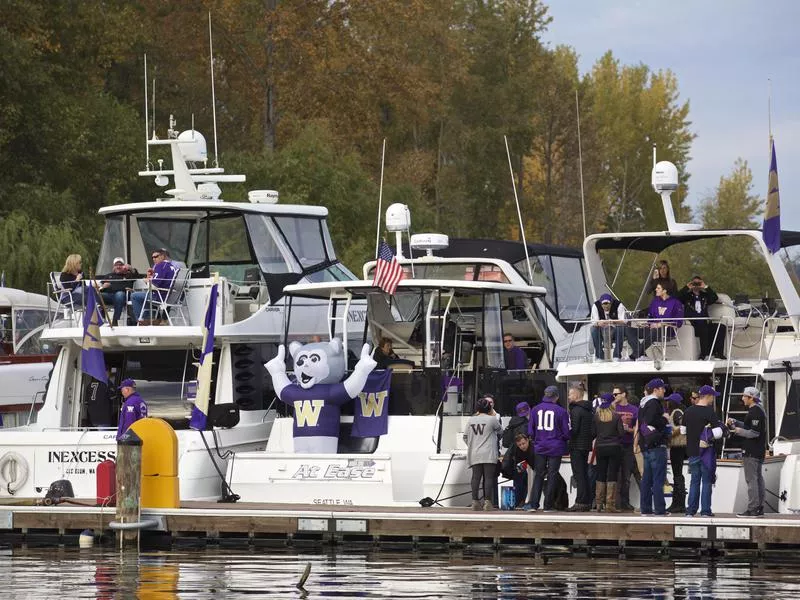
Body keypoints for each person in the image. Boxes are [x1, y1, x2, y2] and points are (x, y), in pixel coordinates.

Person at [684, 384, 726, 517]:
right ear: (708, 396)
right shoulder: (709, 412)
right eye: (713, 397)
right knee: (707, 482)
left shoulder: (688, 411)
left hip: (692, 451)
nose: (713, 399)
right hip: (706, 453)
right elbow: (718, 432)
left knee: (694, 481)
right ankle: (705, 511)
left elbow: (683, 431)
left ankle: (690, 511)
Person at [528, 385, 571, 512]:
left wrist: (538, 439)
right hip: (555, 447)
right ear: (556, 397)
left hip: (540, 446)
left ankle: (533, 504)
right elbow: (567, 432)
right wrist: (561, 439)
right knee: (552, 475)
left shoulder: (535, 410)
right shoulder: (561, 411)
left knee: (538, 475)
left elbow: (531, 430)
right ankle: (548, 505)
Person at [728, 386, 767, 517]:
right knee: (758, 479)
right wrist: (737, 422)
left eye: (744, 396)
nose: (742, 398)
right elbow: (749, 426)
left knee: (752, 480)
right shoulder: (758, 410)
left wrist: (738, 431)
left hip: (752, 451)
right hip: (758, 451)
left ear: (751, 398)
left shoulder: (755, 411)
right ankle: (759, 507)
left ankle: (753, 509)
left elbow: (754, 433)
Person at [638, 378, 670, 515]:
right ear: (655, 390)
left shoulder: (642, 404)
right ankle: (660, 509)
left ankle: (645, 508)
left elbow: (642, 422)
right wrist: (665, 418)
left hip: (646, 444)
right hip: (656, 445)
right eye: (662, 388)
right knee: (658, 479)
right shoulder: (654, 403)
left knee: (646, 479)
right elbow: (652, 420)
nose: (664, 390)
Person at [464, 396, 502, 511]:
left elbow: (465, 437)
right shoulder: (492, 419)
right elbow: (501, 431)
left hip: (475, 452)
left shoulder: (471, 420)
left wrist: (472, 444)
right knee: (488, 478)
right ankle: (487, 502)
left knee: (475, 477)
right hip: (489, 452)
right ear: (489, 408)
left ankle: (475, 501)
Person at [677, 275, 726, 360]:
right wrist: (687, 287)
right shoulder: (687, 296)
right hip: (692, 324)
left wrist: (705, 287)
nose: (696, 285)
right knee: (704, 329)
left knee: (721, 327)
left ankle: (719, 353)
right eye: (694, 283)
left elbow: (714, 297)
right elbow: (677, 297)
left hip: (704, 323)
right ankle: (704, 355)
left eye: (698, 283)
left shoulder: (704, 296)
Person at [593, 392, 624, 513]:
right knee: (612, 474)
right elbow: (621, 433)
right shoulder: (616, 416)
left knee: (600, 473)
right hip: (614, 447)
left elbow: (593, 432)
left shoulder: (596, 416)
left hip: (600, 447)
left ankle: (599, 503)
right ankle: (610, 504)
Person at [131, 248, 179, 324]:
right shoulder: (171, 266)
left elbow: (153, 286)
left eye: (156, 256)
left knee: (134, 296)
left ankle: (143, 321)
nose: (154, 259)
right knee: (145, 295)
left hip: (160, 296)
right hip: (168, 296)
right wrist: (150, 277)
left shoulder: (161, 266)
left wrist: (146, 280)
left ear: (162, 256)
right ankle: (153, 318)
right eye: (152, 257)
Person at [637, 283, 684, 360]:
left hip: (668, 330)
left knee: (656, 330)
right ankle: (641, 355)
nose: (656, 290)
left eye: (658, 288)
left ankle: (636, 354)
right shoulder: (655, 301)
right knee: (630, 331)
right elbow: (650, 317)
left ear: (664, 291)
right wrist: (649, 324)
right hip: (653, 329)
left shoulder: (676, 303)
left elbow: (679, 322)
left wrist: (661, 324)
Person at [613, 385, 640, 511]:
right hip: (614, 445)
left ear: (624, 394)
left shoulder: (634, 409)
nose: (614, 396)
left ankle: (625, 502)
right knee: (614, 475)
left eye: (616, 394)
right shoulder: (612, 408)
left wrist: (629, 429)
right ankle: (614, 503)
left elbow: (638, 428)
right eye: (613, 394)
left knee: (626, 476)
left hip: (628, 444)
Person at [567, 382, 593, 512]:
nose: (568, 396)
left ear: (577, 395)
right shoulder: (589, 409)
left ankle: (580, 501)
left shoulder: (576, 410)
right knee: (585, 473)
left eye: (570, 394)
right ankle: (587, 500)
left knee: (579, 474)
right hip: (586, 445)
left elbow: (574, 429)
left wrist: (567, 437)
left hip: (577, 445)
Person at [590, 293, 640, 361]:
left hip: (615, 329)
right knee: (593, 329)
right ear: (601, 304)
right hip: (602, 330)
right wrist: (599, 323)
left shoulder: (618, 305)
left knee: (620, 328)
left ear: (611, 302)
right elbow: (593, 322)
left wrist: (613, 322)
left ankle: (616, 356)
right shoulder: (595, 306)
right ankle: (599, 356)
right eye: (604, 304)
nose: (606, 306)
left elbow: (623, 321)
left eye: (608, 304)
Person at [98, 257, 140, 326]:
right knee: (96, 295)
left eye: (120, 265)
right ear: (113, 266)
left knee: (119, 294)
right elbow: (99, 286)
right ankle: (101, 318)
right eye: (116, 265)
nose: (118, 267)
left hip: (123, 296)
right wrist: (103, 287)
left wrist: (131, 269)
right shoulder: (109, 276)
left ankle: (115, 320)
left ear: (124, 266)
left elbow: (138, 276)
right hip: (109, 296)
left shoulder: (129, 275)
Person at [665, 392, 687, 514]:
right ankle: (678, 503)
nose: (667, 403)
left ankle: (679, 503)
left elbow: (683, 426)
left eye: (669, 401)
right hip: (678, 446)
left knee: (677, 474)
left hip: (678, 446)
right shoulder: (677, 412)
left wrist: (670, 432)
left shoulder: (677, 412)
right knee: (677, 474)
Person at [507, 433, 536, 510]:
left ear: (528, 441)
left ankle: (532, 502)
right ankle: (519, 501)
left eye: (523, 443)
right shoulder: (518, 451)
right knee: (519, 477)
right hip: (531, 464)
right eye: (519, 445)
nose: (522, 446)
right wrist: (519, 471)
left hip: (540, 466)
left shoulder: (534, 447)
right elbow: (519, 466)